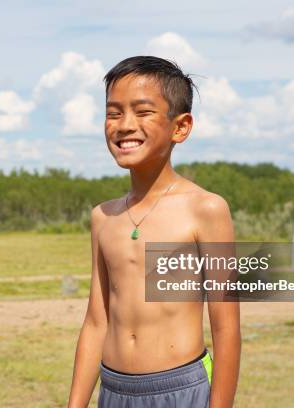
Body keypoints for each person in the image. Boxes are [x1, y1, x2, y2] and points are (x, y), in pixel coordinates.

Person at [67, 56, 241, 408]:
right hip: (113, 391)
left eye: (143, 112)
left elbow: (226, 330)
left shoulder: (205, 209)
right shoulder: (103, 217)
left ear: (181, 127)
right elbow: (96, 323)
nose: (124, 125)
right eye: (114, 113)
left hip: (179, 390)